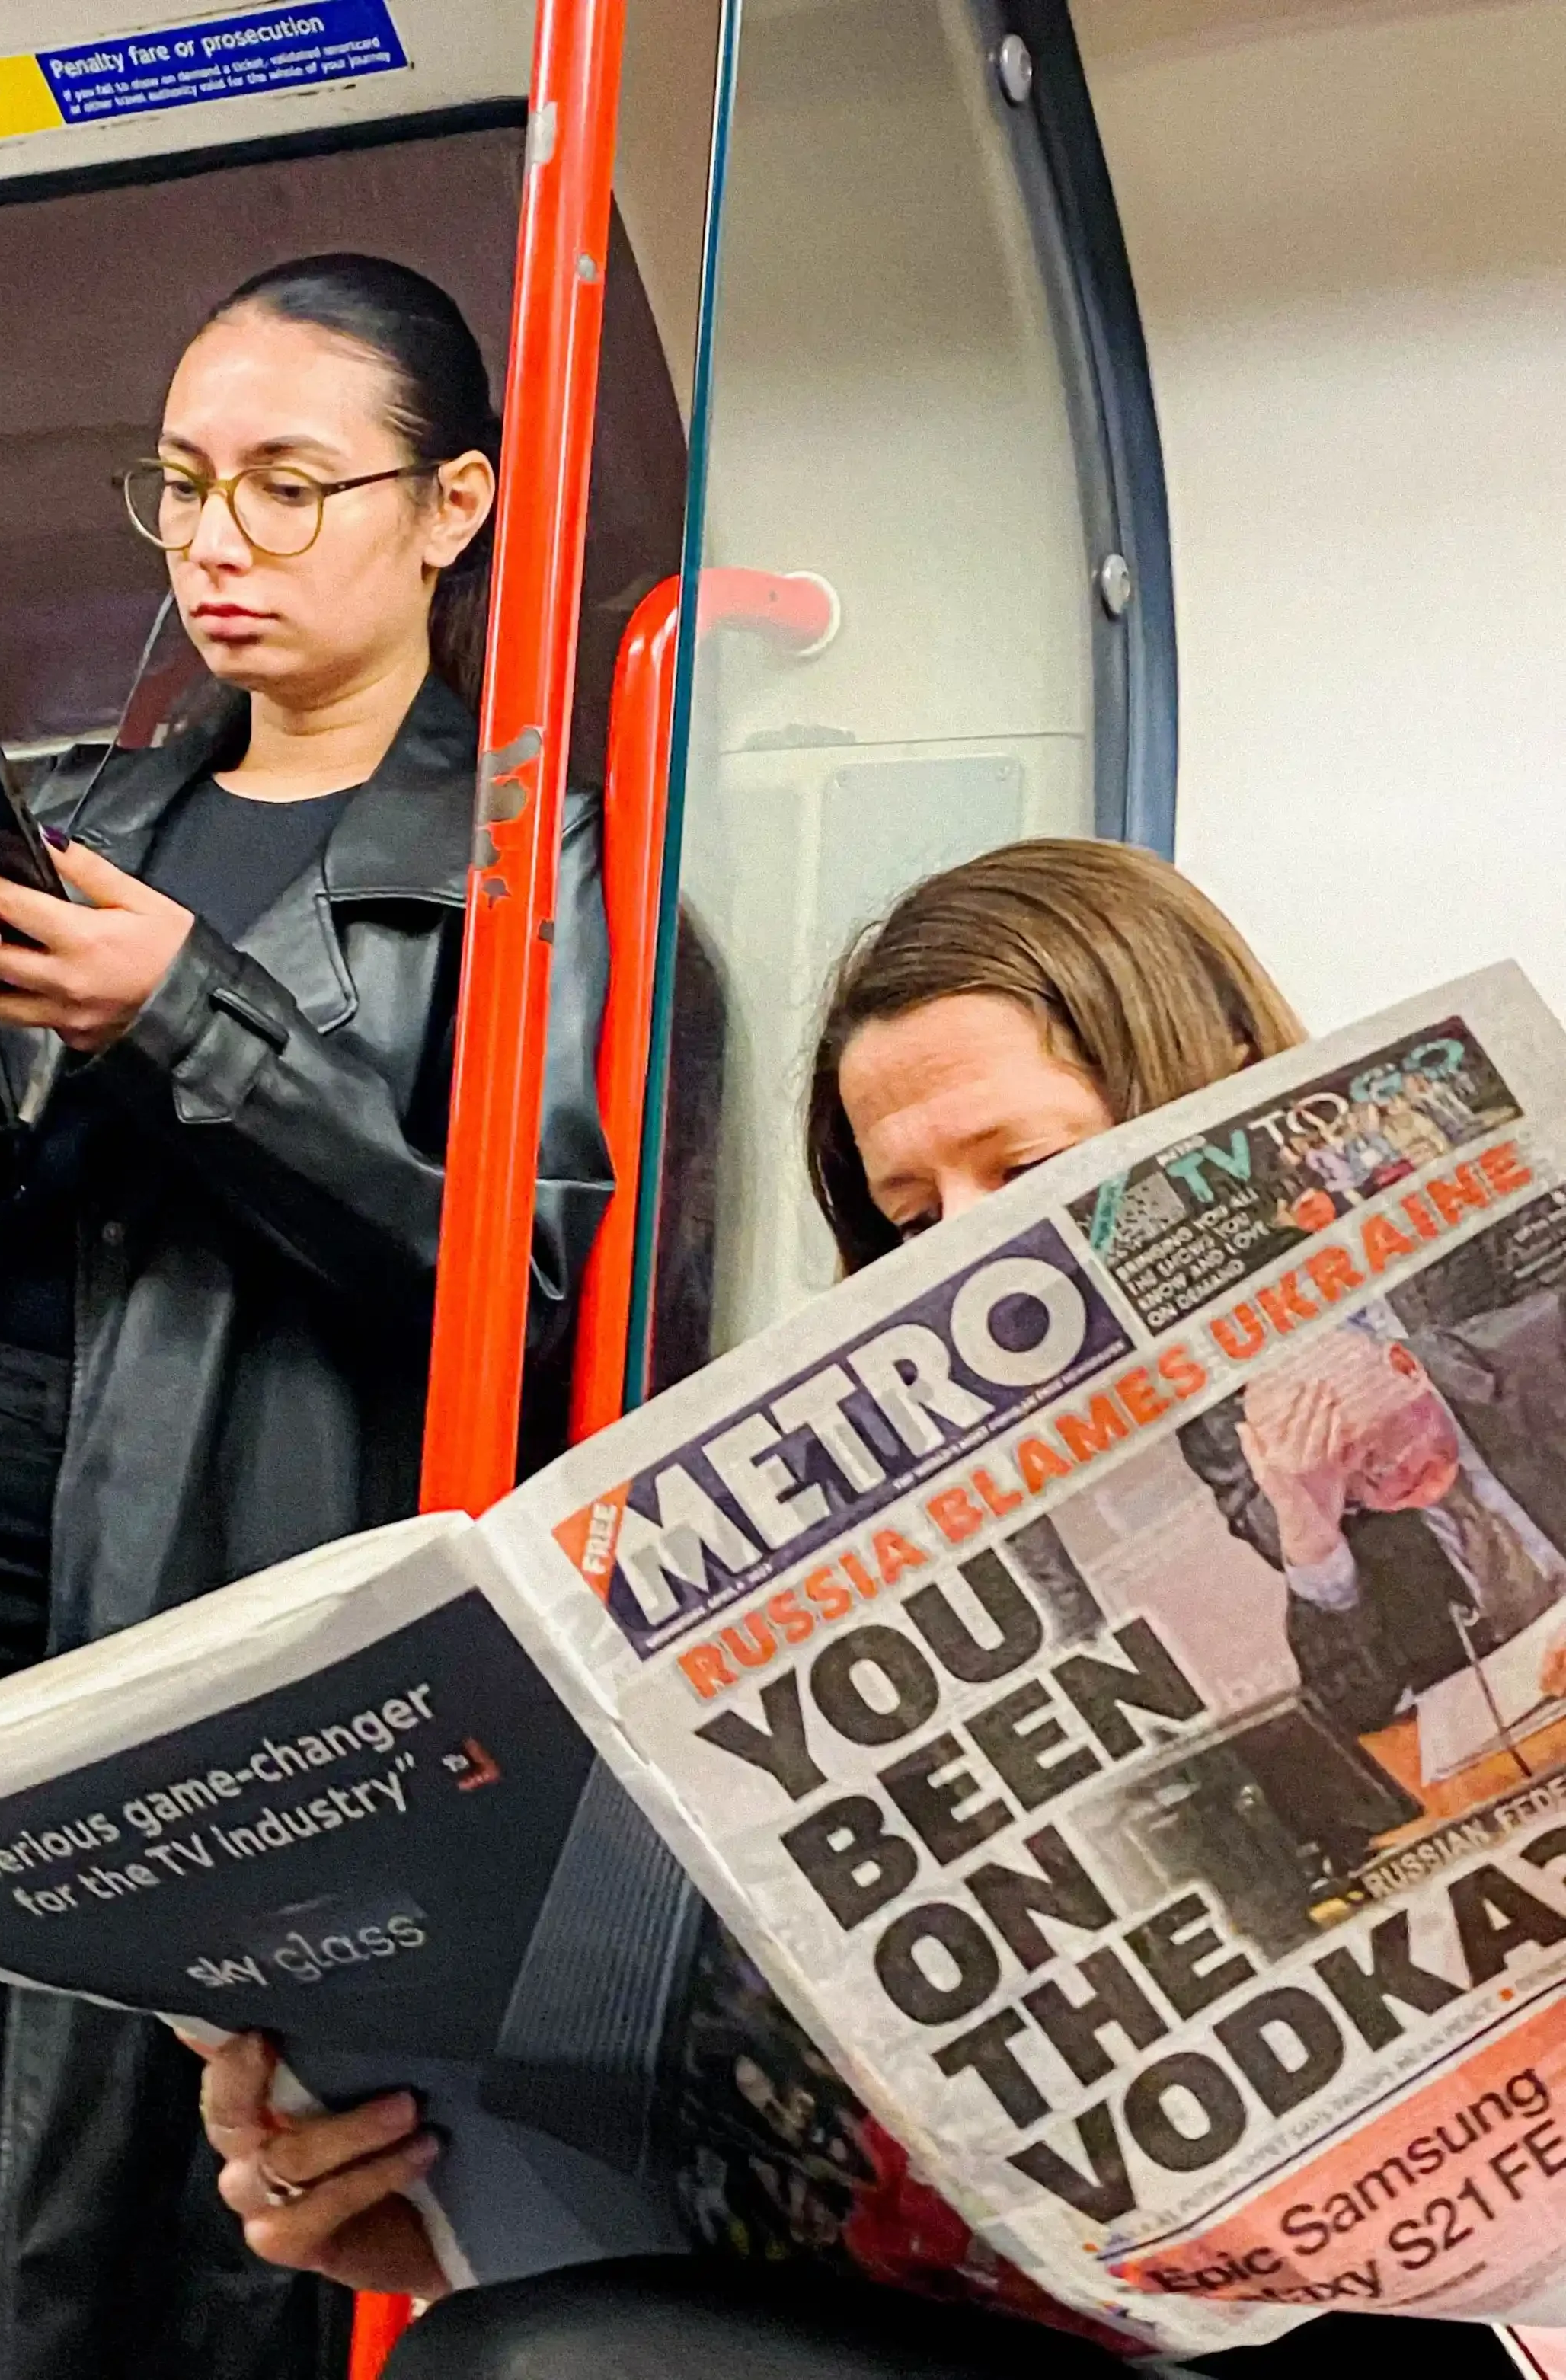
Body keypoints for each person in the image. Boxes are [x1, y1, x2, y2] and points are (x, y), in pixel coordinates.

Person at [190, 839, 1513, 2380]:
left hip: (1411, 2307)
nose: (959, 1249)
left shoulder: (1463, 1353)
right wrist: (437, 2203)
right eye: (903, 1213)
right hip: (1031, 2306)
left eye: (1020, 1172)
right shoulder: (888, 1539)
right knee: (512, 2347)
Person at [0, 253, 611, 2380]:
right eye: (183, 484)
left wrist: (185, 1025)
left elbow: (549, 1293)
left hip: (189, 1742)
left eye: (292, 483)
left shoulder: (534, 869)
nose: (218, 541)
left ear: (453, 505)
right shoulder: (86, 813)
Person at [1178, 1304, 1566, 1743]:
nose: (1391, 1482)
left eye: (1386, 1442)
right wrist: (1314, 1540)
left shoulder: (1546, 1349)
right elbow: (1361, 1707)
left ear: (1405, 1369)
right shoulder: (1340, 1513)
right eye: (1354, 1473)